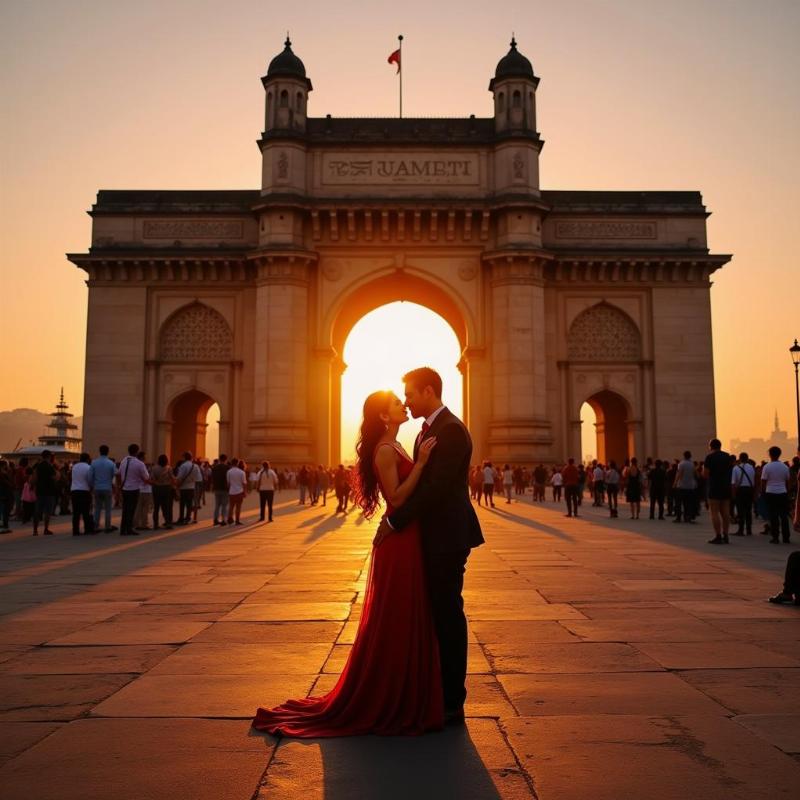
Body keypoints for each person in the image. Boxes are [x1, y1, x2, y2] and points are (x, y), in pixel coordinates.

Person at [253, 389, 442, 735]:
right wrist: (425, 467)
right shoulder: (386, 450)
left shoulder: (398, 445)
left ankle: (404, 693)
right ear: (384, 417)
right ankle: (392, 696)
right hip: (399, 541)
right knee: (397, 616)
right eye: (396, 404)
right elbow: (397, 498)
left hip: (408, 538)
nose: (404, 405)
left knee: (405, 613)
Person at [375, 367, 484, 725]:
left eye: (409, 394)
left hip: (446, 538)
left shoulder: (450, 430)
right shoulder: (431, 431)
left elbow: (435, 490)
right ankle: (436, 691)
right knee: (437, 615)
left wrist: (394, 522)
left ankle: (453, 699)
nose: (406, 400)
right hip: (433, 536)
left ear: (427, 391)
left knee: (448, 617)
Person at [703, 438, 733, 545]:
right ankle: (726, 535)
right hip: (726, 487)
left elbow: (705, 474)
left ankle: (718, 535)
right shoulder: (727, 457)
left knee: (714, 513)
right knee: (725, 513)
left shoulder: (710, 457)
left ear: (711, 446)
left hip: (714, 487)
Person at [117, 444, 150, 535]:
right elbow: (146, 477)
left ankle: (123, 529)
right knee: (131, 509)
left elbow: (119, 473)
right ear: (137, 451)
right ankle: (129, 528)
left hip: (125, 488)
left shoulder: (124, 460)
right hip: (134, 489)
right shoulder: (140, 463)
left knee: (125, 509)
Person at [761, 446, 791, 544]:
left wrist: (763, 492)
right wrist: (786, 491)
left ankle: (775, 537)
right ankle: (786, 537)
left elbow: (763, 482)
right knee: (784, 516)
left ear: (770, 454)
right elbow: (787, 481)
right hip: (782, 492)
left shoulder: (767, 467)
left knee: (773, 516)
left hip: (771, 492)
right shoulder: (785, 467)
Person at [90, 445, 117, 533]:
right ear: (108, 451)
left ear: (99, 451)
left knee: (97, 508)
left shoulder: (94, 462)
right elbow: (115, 474)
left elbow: (90, 476)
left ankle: (96, 526)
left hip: (97, 487)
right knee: (108, 508)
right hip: (107, 487)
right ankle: (107, 526)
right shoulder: (111, 463)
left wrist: (92, 486)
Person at [32, 450, 59, 535]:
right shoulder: (50, 467)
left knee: (37, 511)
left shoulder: (38, 466)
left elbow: (34, 479)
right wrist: (58, 475)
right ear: (49, 456)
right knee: (47, 512)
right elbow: (54, 478)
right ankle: (46, 529)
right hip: (49, 491)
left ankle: (35, 530)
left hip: (40, 491)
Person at [731, 452, 756, 536]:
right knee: (748, 510)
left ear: (740, 459)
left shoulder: (736, 468)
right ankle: (749, 530)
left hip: (740, 490)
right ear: (748, 458)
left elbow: (733, 483)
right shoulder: (752, 468)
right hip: (749, 490)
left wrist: (733, 494)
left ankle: (741, 530)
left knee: (740, 511)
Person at [70, 452, 94, 536]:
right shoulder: (88, 467)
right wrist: (91, 488)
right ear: (87, 459)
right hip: (84, 491)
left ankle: (75, 531)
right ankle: (87, 529)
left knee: (76, 512)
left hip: (74, 490)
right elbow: (90, 480)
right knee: (85, 512)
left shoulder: (74, 467)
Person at [150, 454, 175, 529]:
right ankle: (168, 523)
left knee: (156, 507)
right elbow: (172, 478)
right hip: (166, 488)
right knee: (166, 507)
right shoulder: (169, 468)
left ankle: (155, 524)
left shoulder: (154, 468)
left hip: (157, 488)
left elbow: (152, 479)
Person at [673, 451, 697, 524]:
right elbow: (695, 474)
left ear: (684, 456)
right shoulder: (692, 464)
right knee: (688, 503)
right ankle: (687, 517)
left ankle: (678, 517)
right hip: (690, 486)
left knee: (679, 503)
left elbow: (679, 474)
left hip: (681, 486)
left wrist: (675, 483)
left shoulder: (681, 464)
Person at [174, 452, 197, 525]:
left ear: (184, 457)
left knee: (182, 504)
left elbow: (179, 477)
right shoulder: (195, 466)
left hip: (183, 487)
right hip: (191, 487)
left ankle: (181, 518)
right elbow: (197, 477)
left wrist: (176, 485)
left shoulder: (183, 466)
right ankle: (188, 518)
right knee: (189, 504)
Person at [211, 454, 230, 525]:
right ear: (226, 459)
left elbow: (212, 478)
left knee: (217, 505)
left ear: (219, 459)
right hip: (225, 489)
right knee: (224, 505)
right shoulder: (227, 468)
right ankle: (223, 520)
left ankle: (215, 519)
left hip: (217, 488)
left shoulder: (214, 468)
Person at [227, 458, 247, 525]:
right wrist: (244, 492)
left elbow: (228, 483)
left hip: (231, 492)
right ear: (237, 463)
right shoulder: (242, 472)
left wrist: (229, 490)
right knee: (238, 507)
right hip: (239, 492)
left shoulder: (229, 472)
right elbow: (244, 483)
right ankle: (237, 520)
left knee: (231, 506)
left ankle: (230, 518)